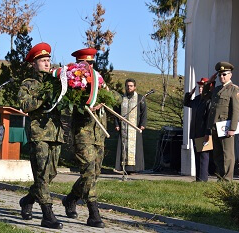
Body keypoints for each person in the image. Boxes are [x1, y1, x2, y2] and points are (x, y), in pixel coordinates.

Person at [17, 42, 65, 229]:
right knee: (41, 173)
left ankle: (28, 200)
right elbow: (24, 105)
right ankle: (47, 214)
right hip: (39, 133)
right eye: (43, 60)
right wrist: (43, 97)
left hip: (56, 133)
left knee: (50, 173)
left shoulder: (57, 82)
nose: (47, 63)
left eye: (48, 60)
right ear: (34, 64)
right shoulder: (28, 84)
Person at [62, 48, 107, 228]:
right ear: (78, 65)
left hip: (98, 135)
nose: (89, 67)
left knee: (94, 174)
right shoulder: (72, 84)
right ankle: (93, 212)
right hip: (83, 134)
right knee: (88, 171)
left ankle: (71, 198)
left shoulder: (98, 82)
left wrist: (105, 98)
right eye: (85, 64)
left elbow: (115, 99)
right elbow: (66, 107)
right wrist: (85, 104)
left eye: (91, 63)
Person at [204, 61, 239, 181]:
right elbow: (205, 96)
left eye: (224, 74)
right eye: (220, 75)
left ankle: (227, 180)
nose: (222, 77)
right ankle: (221, 178)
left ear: (230, 75)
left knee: (228, 155)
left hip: (226, 126)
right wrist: (209, 82)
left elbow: (236, 110)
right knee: (217, 154)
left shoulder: (234, 90)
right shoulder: (217, 89)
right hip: (215, 126)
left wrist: (232, 128)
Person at [184, 77, 214, 182]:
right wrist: (189, 94)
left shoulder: (209, 100)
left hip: (204, 132)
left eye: (203, 87)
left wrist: (208, 133)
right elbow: (187, 103)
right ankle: (198, 179)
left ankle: (203, 179)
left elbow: (209, 119)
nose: (200, 89)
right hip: (195, 132)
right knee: (197, 156)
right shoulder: (197, 99)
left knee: (203, 158)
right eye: (200, 87)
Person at [114, 78, 147, 173]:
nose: (129, 87)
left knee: (135, 148)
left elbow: (144, 112)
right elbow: (116, 112)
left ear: (135, 87)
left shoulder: (140, 98)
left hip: (135, 128)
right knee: (123, 147)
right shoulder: (121, 98)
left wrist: (143, 124)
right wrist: (116, 124)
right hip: (123, 127)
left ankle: (135, 169)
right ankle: (122, 167)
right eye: (128, 86)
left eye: (131, 86)